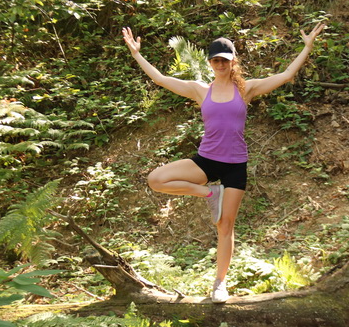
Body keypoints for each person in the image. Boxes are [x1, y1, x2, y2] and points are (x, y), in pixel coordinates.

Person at [122, 22, 327, 303]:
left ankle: (219, 284)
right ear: (210, 62)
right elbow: (159, 78)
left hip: (235, 165)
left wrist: (307, 47)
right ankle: (210, 193)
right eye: (216, 60)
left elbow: (287, 74)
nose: (220, 64)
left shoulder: (247, 89)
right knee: (156, 179)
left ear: (233, 62)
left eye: (225, 60)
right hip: (206, 160)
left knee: (225, 226)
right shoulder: (199, 90)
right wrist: (136, 54)